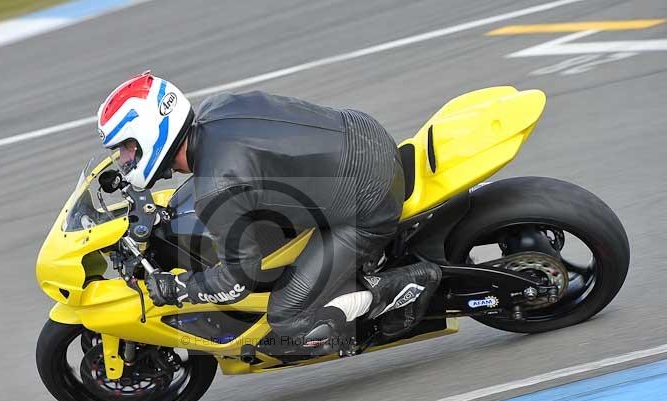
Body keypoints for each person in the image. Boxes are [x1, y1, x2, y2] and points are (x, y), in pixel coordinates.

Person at [96, 72, 441, 350]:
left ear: (151, 134)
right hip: (364, 132)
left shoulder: (216, 188)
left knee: (287, 320)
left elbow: (238, 282)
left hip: (370, 202)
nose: (125, 159)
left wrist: (178, 289)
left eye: (127, 148)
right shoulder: (219, 108)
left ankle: (401, 285)